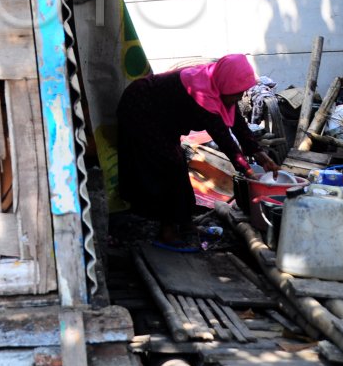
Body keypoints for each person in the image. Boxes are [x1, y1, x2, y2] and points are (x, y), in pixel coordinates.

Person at [116, 54, 278, 248]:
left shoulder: (217, 85)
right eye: (236, 93)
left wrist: (260, 154)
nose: (238, 98)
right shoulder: (202, 94)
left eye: (241, 93)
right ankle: (167, 231)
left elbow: (238, 124)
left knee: (177, 164)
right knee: (168, 167)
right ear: (226, 84)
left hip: (162, 117)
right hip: (140, 109)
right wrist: (249, 172)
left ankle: (185, 223)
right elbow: (224, 138)